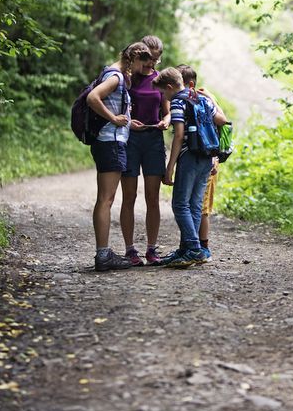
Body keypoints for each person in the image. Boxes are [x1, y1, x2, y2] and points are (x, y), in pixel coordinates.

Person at [86, 41, 150, 272]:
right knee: (106, 199)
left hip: (111, 140)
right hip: (110, 142)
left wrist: (126, 122)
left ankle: (103, 253)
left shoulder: (114, 73)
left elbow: (112, 105)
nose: (146, 68)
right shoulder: (116, 77)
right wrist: (113, 119)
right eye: (144, 63)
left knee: (106, 198)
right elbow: (93, 98)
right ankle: (103, 255)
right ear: (134, 58)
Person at [158, 65, 229, 267]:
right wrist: (214, 100)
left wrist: (170, 166)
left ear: (170, 87)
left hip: (189, 156)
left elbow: (179, 135)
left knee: (180, 204)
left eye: (164, 92)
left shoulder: (178, 103)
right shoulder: (203, 98)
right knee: (195, 205)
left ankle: (194, 249)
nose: (164, 97)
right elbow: (222, 121)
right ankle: (186, 250)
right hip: (207, 155)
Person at [119, 36, 173, 266]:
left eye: (156, 59)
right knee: (128, 197)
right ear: (139, 54)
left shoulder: (160, 81)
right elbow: (117, 107)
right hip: (130, 139)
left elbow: (167, 111)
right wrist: (128, 121)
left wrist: (167, 121)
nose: (151, 63)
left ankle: (152, 249)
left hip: (153, 139)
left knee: (153, 197)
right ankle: (130, 250)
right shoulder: (126, 79)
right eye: (148, 58)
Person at [177, 64, 226, 263]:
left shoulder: (202, 99)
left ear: (189, 84)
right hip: (203, 156)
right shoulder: (192, 100)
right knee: (193, 204)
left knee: (199, 206)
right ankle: (190, 246)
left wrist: (212, 98)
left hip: (207, 157)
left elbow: (223, 121)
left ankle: (201, 247)